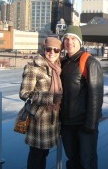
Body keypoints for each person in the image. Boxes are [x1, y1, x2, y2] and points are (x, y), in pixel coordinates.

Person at [60, 25, 104, 169]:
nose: (69, 42)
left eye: (73, 38)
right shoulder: (63, 62)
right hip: (67, 124)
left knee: (87, 162)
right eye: (66, 39)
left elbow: (96, 95)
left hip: (84, 124)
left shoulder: (89, 62)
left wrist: (91, 124)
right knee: (72, 160)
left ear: (80, 41)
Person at [19, 37, 63, 169]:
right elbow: (24, 93)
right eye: (48, 49)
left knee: (44, 153)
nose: (52, 52)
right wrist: (49, 97)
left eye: (56, 50)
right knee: (36, 155)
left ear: (60, 52)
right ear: (44, 49)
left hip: (52, 119)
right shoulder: (33, 67)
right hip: (38, 120)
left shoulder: (57, 68)